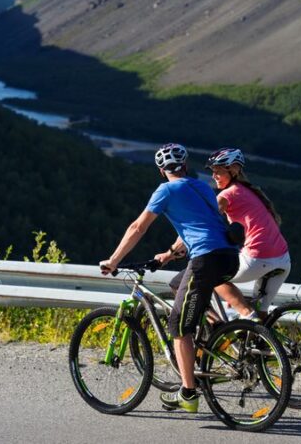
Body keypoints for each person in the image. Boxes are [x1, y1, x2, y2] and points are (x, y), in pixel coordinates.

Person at [100, 143, 239, 414]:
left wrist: (113, 260)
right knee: (183, 292)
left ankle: (187, 393)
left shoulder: (165, 190)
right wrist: (168, 255)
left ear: (162, 171)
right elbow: (197, 227)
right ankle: (214, 339)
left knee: (178, 327)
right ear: (186, 166)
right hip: (229, 257)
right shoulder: (203, 188)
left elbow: (138, 227)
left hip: (205, 259)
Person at [206, 148, 291, 322]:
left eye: (218, 171)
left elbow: (207, 221)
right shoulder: (251, 191)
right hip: (283, 259)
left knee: (210, 275)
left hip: (257, 259)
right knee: (262, 315)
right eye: (213, 171)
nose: (214, 176)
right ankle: (264, 344)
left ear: (234, 170)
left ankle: (245, 313)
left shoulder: (227, 194)